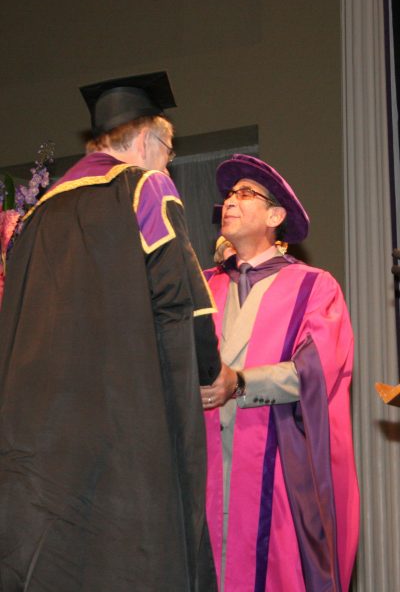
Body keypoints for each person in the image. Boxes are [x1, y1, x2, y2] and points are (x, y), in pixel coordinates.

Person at [0, 72, 221, 591]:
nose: (167, 161)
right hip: (124, 432)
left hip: (39, 444)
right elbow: (182, 302)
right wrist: (213, 372)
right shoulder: (145, 187)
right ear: (145, 142)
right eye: (167, 149)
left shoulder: (32, 221)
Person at [200, 154, 360, 592]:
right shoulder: (202, 286)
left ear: (275, 215)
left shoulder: (313, 286)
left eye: (245, 193)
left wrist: (242, 382)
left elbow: (318, 369)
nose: (230, 201)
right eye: (228, 195)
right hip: (206, 473)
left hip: (276, 473)